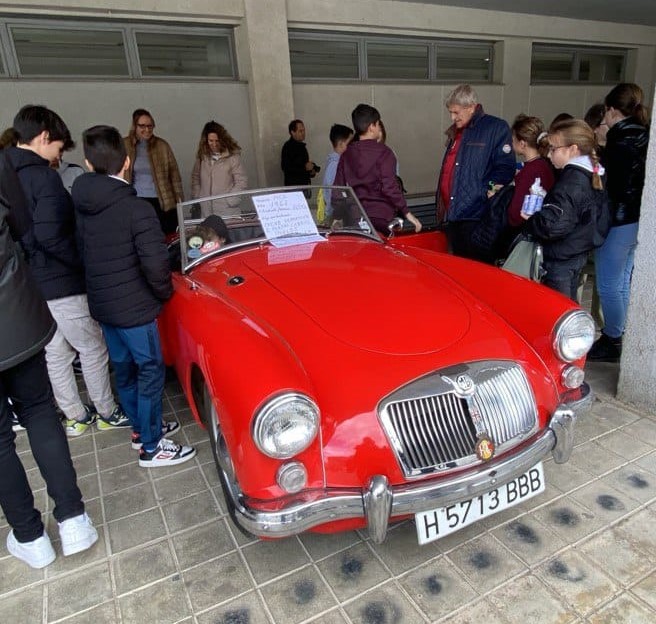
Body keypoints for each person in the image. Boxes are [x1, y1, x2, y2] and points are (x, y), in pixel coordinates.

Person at [73, 125, 195, 467]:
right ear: (127, 162)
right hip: (136, 309)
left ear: (86, 162)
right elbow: (157, 264)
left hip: (103, 305)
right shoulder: (137, 209)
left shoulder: (81, 204)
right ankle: (153, 447)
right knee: (150, 370)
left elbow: (81, 252)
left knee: (123, 370)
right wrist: (161, 294)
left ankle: (142, 429)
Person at [0, 155, 97, 569]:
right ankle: (74, 520)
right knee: (40, 413)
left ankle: (30, 537)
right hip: (15, 313)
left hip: (18, 315)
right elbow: (23, 226)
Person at [7, 105, 128, 437]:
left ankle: (74, 414)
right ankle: (107, 410)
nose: (57, 156)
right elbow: (49, 236)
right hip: (61, 282)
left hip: (26, 285)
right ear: (44, 137)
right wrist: (82, 265)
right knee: (92, 346)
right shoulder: (43, 177)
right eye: (59, 148)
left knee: (56, 351)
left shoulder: (5, 173)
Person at [588, 83, 649, 362]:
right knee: (622, 282)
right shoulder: (643, 135)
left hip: (618, 220)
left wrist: (599, 151)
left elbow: (606, 182)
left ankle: (612, 339)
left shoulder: (619, 142)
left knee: (609, 285)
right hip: (637, 220)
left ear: (612, 111)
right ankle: (619, 333)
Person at [523, 119, 609, 300]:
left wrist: (531, 219)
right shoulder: (594, 173)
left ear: (573, 149)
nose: (549, 155)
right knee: (569, 304)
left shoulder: (571, 182)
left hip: (560, 258)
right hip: (577, 251)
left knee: (559, 313)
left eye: (553, 149)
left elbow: (553, 226)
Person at [435, 84, 515, 260]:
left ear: (471, 107)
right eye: (451, 112)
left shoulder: (495, 128)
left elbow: (505, 167)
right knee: (460, 265)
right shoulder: (457, 131)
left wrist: (486, 189)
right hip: (454, 213)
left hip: (476, 214)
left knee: (476, 266)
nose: (452, 117)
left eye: (456, 112)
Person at [334, 103, 422, 235]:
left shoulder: (346, 154)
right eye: (378, 124)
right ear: (372, 127)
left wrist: (337, 216)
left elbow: (338, 189)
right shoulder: (385, 153)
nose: (379, 127)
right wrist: (407, 213)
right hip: (381, 217)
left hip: (355, 217)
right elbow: (389, 187)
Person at [123, 108, 183, 235]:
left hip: (162, 201)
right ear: (134, 126)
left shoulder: (162, 145)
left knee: (166, 235)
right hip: (136, 199)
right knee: (142, 235)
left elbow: (175, 176)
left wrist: (179, 201)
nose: (147, 129)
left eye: (150, 126)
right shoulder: (125, 145)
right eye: (142, 126)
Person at [502, 115, 555, 250]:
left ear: (522, 143)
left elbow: (515, 214)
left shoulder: (530, 171)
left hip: (525, 235)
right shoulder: (544, 165)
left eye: (513, 139)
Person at [191, 120, 247, 217]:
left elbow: (241, 181)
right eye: (211, 141)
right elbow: (195, 178)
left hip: (227, 211)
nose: (214, 144)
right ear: (205, 140)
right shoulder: (201, 158)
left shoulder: (232, 157)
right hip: (206, 211)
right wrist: (198, 196)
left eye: (217, 141)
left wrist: (230, 200)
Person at [321, 124, 353, 220]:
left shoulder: (338, 162)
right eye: (350, 143)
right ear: (341, 144)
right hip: (336, 216)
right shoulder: (335, 165)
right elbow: (334, 193)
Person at [281, 119, 319, 186]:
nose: (303, 133)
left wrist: (312, 171)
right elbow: (286, 168)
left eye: (304, 130)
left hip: (304, 186)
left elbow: (304, 166)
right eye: (300, 131)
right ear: (293, 132)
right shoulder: (288, 147)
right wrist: (305, 168)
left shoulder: (302, 147)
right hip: (294, 189)